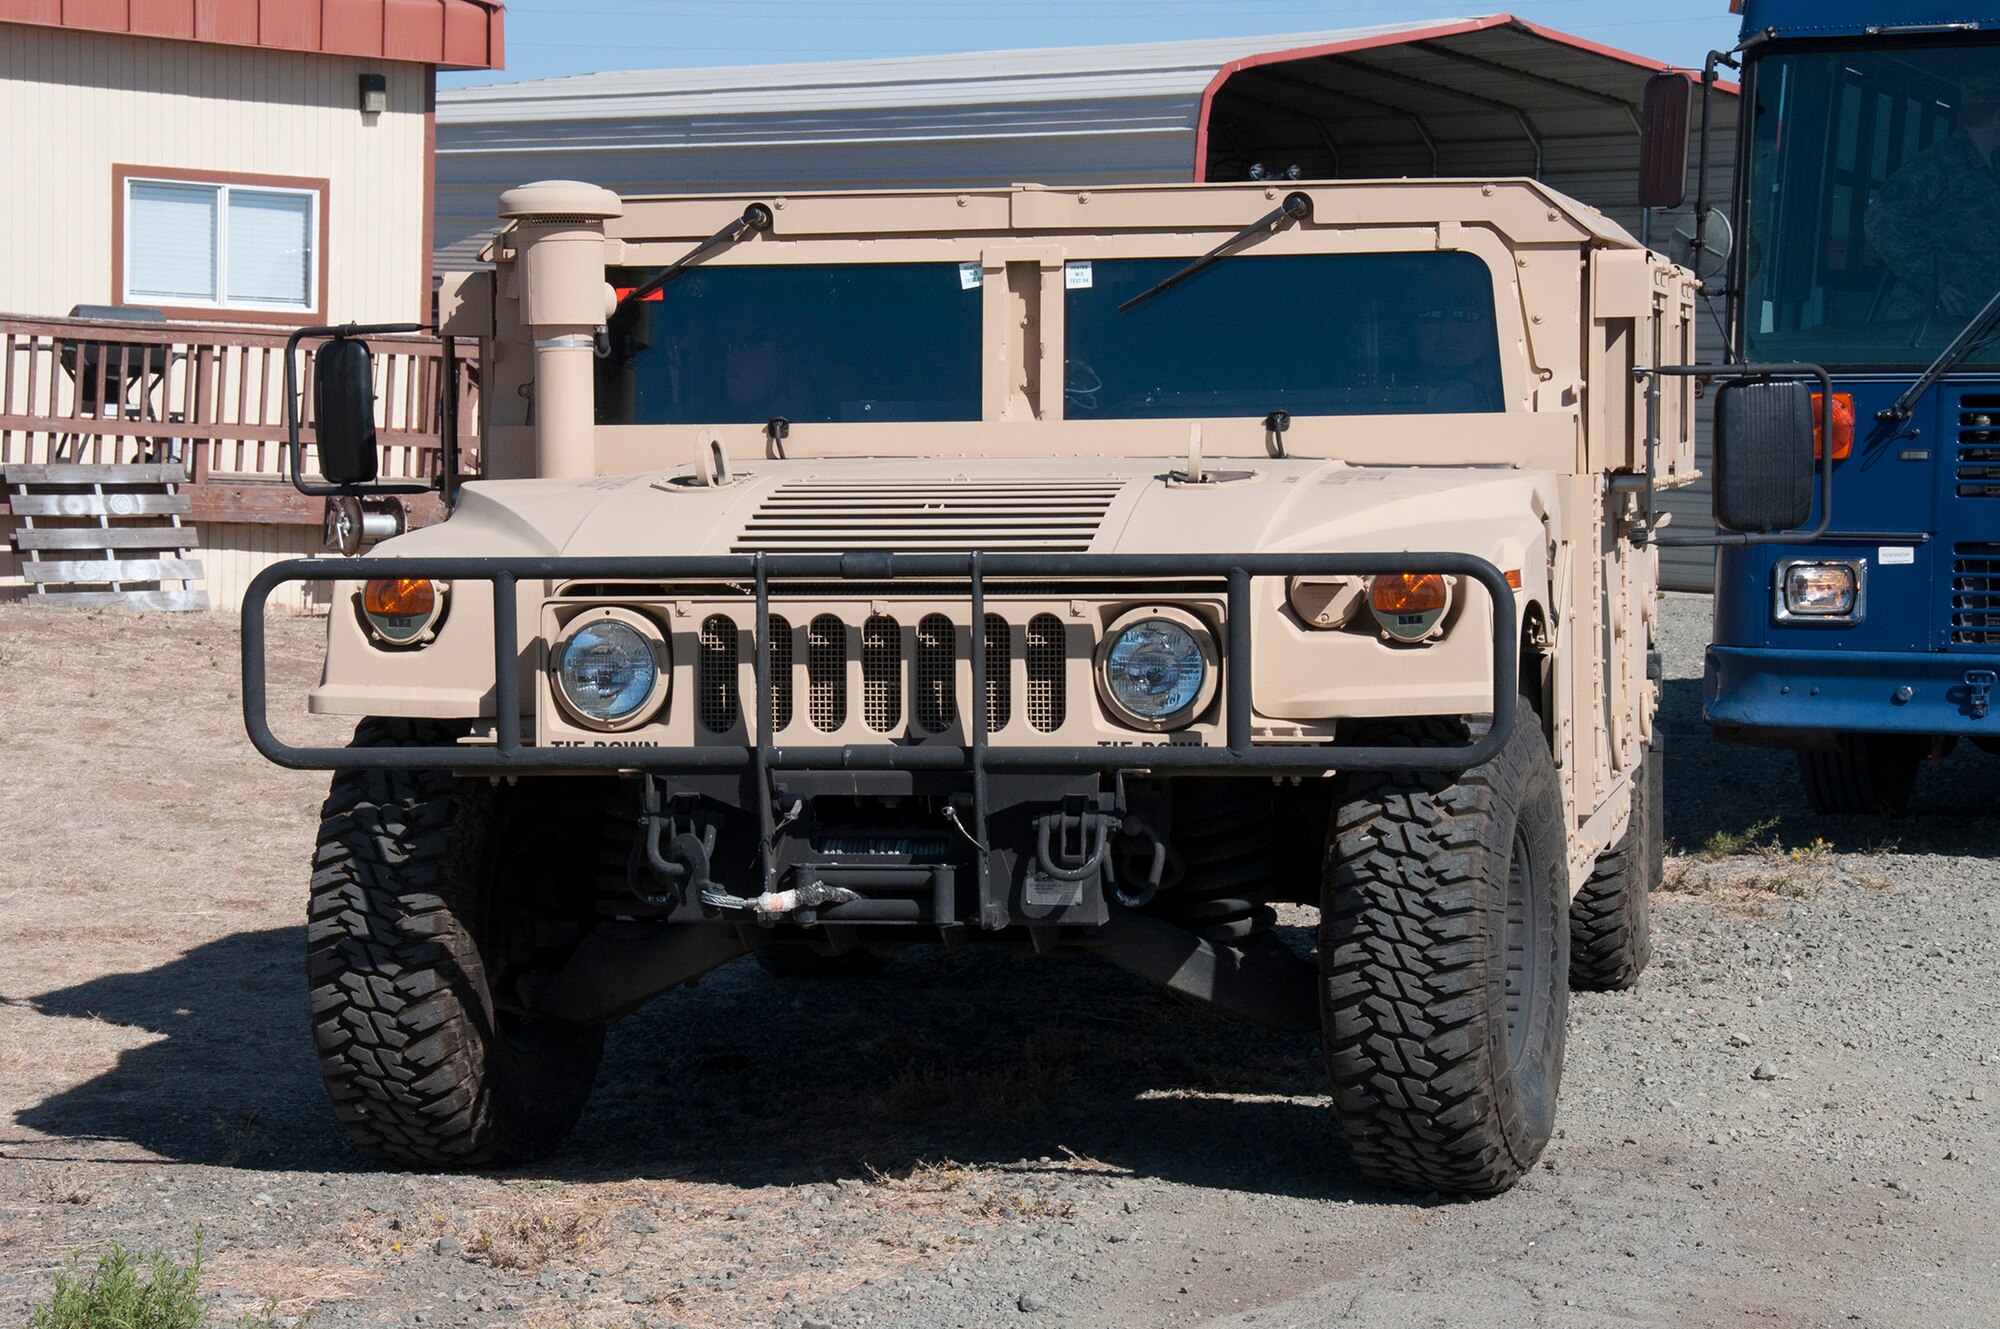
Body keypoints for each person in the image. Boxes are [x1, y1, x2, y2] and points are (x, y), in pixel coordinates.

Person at [1865, 72, 2000, 320]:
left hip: (1981, 329)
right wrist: (1931, 280)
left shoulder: (1991, 167)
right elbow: (1880, 220)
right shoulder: (1939, 165)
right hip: (1931, 331)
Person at [1413, 298, 1503, 412]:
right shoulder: (1391, 405)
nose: (1447, 332)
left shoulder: (1512, 400)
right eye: (1431, 316)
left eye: (1466, 316)